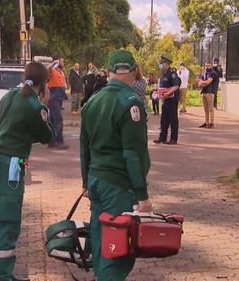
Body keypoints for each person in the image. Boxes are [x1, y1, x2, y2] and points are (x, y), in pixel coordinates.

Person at [80, 50, 152, 281]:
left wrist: (85, 182)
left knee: (100, 241)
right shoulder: (131, 103)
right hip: (117, 186)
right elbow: (133, 154)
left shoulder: (92, 101)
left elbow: (84, 149)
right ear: (132, 73)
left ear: (109, 72)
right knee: (117, 248)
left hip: (96, 182)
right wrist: (142, 196)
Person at [0, 62, 53, 281]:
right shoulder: (35, 106)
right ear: (44, 83)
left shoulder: (10, 96)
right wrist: (44, 105)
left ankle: (1, 272)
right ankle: (2, 276)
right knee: (8, 223)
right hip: (12, 169)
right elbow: (47, 137)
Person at [153, 55, 181, 145]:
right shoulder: (164, 74)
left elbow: (176, 86)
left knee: (173, 119)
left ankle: (173, 139)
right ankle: (162, 138)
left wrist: (167, 93)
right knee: (164, 119)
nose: (160, 65)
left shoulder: (172, 73)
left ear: (166, 64)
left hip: (172, 100)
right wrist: (158, 93)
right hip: (165, 100)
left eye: (161, 63)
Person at [47, 56, 68, 149]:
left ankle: (52, 141)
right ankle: (59, 141)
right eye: (62, 61)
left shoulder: (60, 72)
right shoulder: (52, 70)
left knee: (52, 119)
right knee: (58, 119)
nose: (63, 63)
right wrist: (53, 63)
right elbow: (46, 70)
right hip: (53, 97)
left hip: (59, 96)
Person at [195, 62, 218, 129]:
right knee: (206, 109)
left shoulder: (213, 73)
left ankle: (212, 123)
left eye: (209, 66)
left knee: (211, 108)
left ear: (211, 66)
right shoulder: (205, 73)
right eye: (206, 66)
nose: (207, 67)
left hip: (210, 92)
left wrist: (202, 82)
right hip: (204, 92)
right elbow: (199, 84)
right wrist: (202, 83)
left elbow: (208, 82)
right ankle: (206, 122)